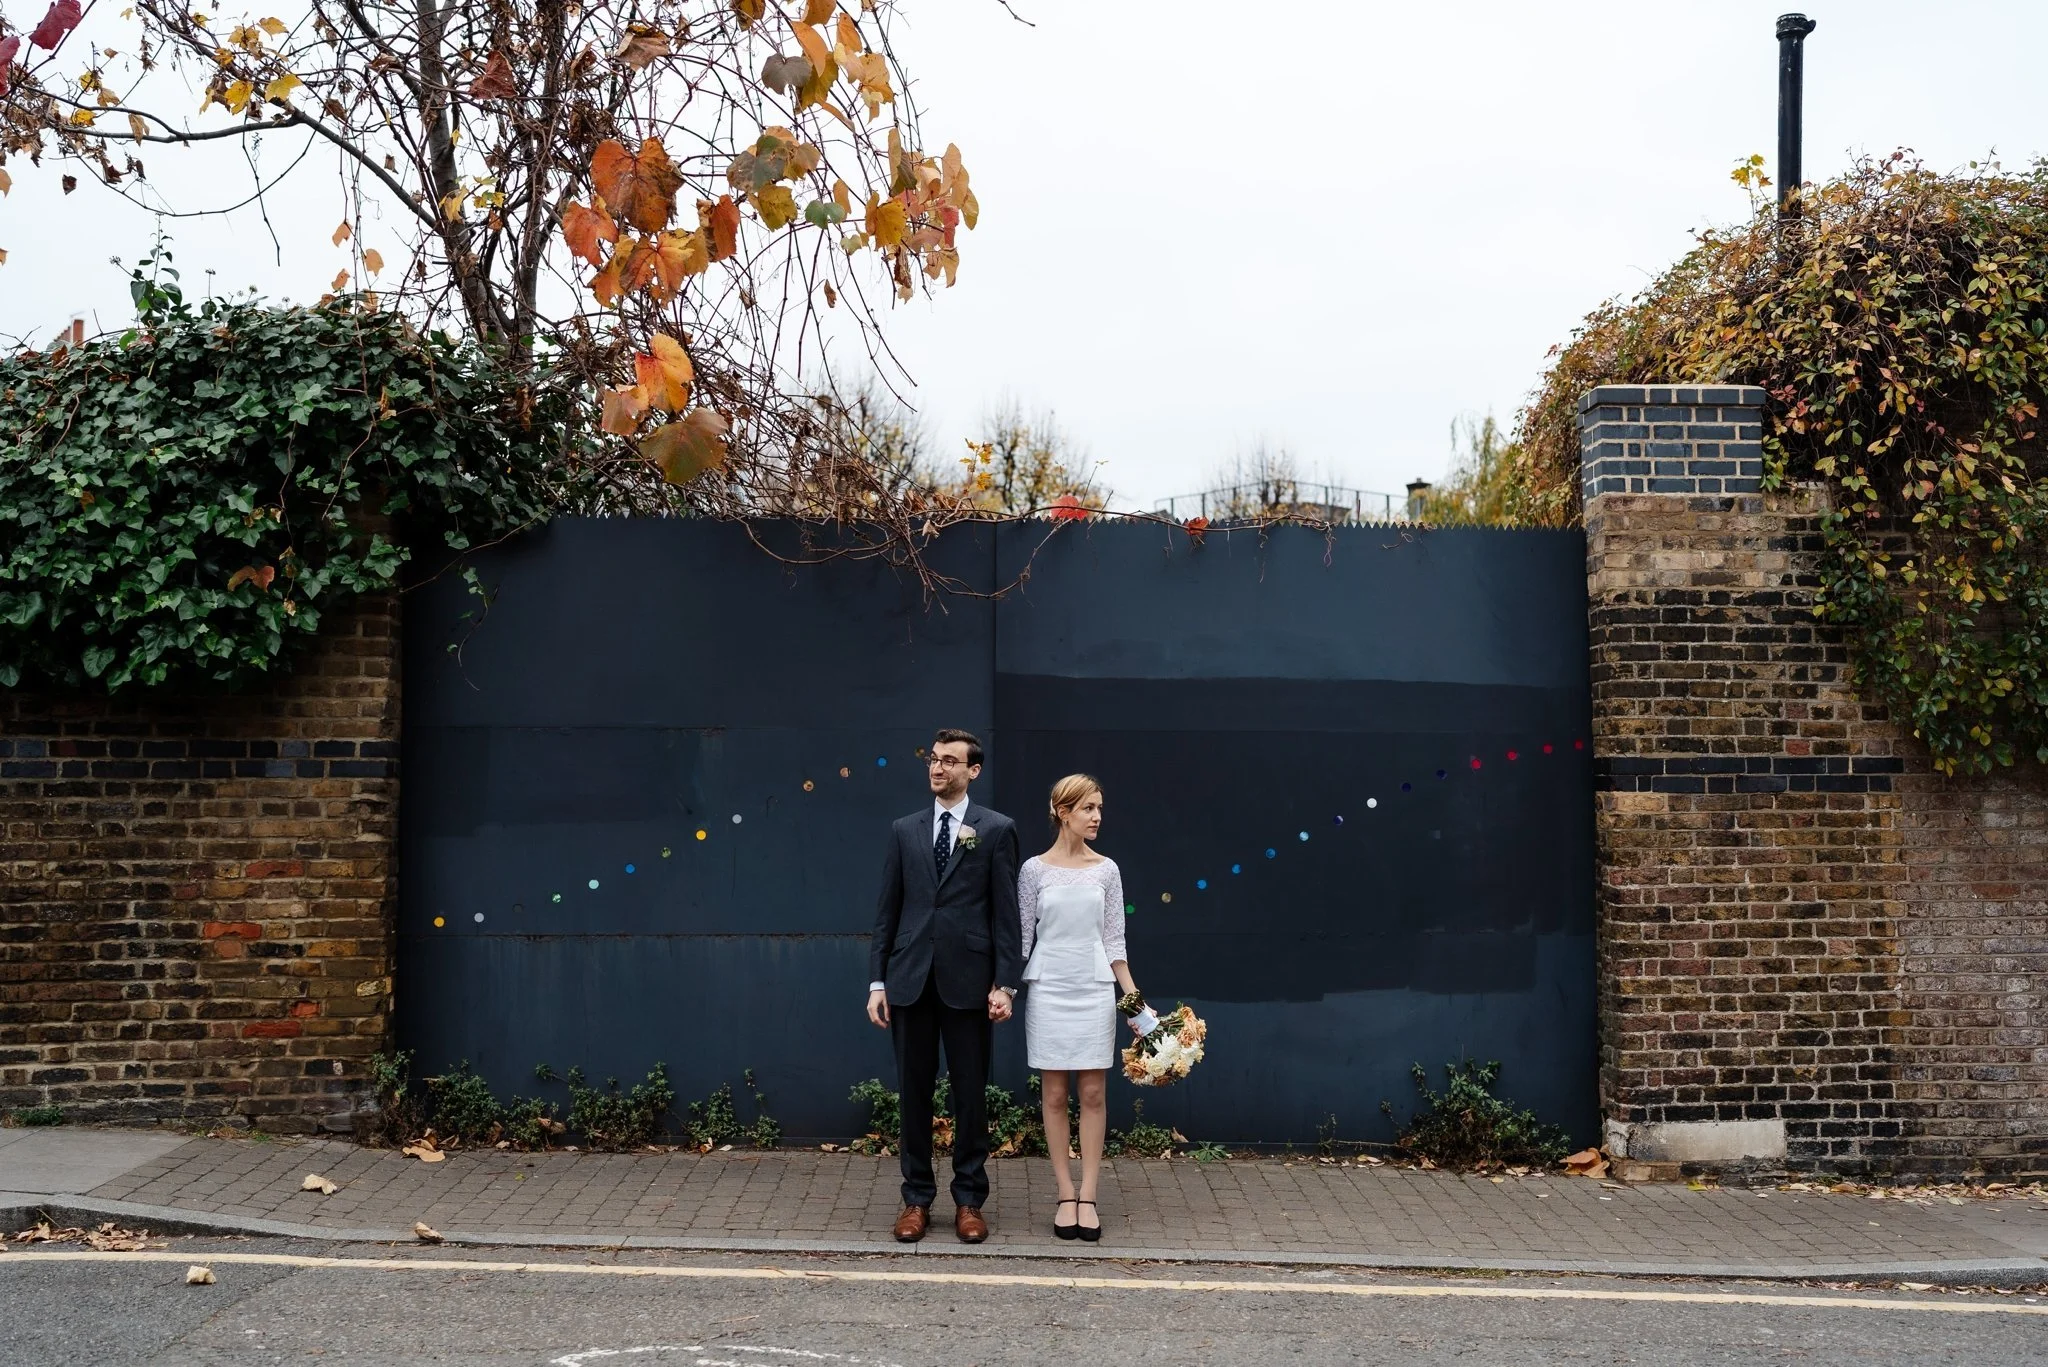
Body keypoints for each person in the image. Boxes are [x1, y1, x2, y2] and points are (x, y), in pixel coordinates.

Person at [865, 728, 1022, 1244]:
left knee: (970, 1094)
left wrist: (1005, 984)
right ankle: (916, 1199)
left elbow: (1006, 915)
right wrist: (877, 981)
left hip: (969, 983)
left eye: (949, 761)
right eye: (933, 759)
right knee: (913, 1094)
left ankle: (969, 1201)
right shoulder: (903, 830)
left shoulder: (996, 829)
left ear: (973, 771)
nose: (937, 768)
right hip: (910, 979)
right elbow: (887, 912)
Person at [1019, 774, 1138, 1242]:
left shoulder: (1107, 870)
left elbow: (1114, 940)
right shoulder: (1033, 870)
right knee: (1053, 1096)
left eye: (1099, 808)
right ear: (1062, 812)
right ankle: (1064, 1193)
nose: (1097, 817)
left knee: (1092, 1094)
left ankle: (1088, 1195)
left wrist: (1134, 1003)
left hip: (1093, 989)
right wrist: (1003, 989)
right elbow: (1022, 939)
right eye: (1089, 808)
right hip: (1049, 989)